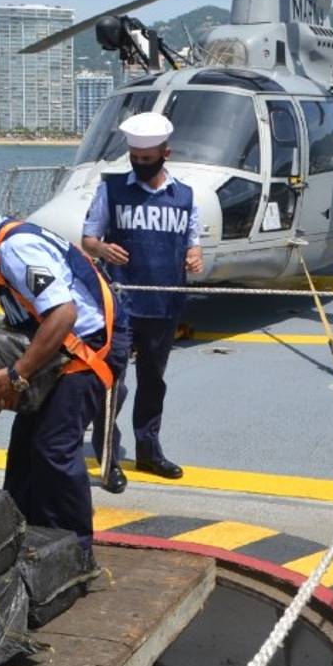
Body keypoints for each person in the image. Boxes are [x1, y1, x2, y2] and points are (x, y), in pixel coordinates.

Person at [0, 169, 130, 560]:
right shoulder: (1, 244)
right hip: (59, 352)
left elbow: (63, 314)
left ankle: (74, 552)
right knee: (25, 449)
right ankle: (23, 535)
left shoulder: (16, 248)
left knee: (53, 449)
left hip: (88, 352)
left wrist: (18, 374)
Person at [81, 112, 202, 493]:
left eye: (148, 158)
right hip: (120, 301)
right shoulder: (111, 190)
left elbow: (193, 241)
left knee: (153, 380)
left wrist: (195, 256)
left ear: (166, 153)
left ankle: (149, 447)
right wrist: (101, 247)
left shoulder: (184, 196)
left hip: (164, 303)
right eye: (135, 157)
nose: (141, 164)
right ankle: (109, 455)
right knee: (112, 379)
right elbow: (88, 239)